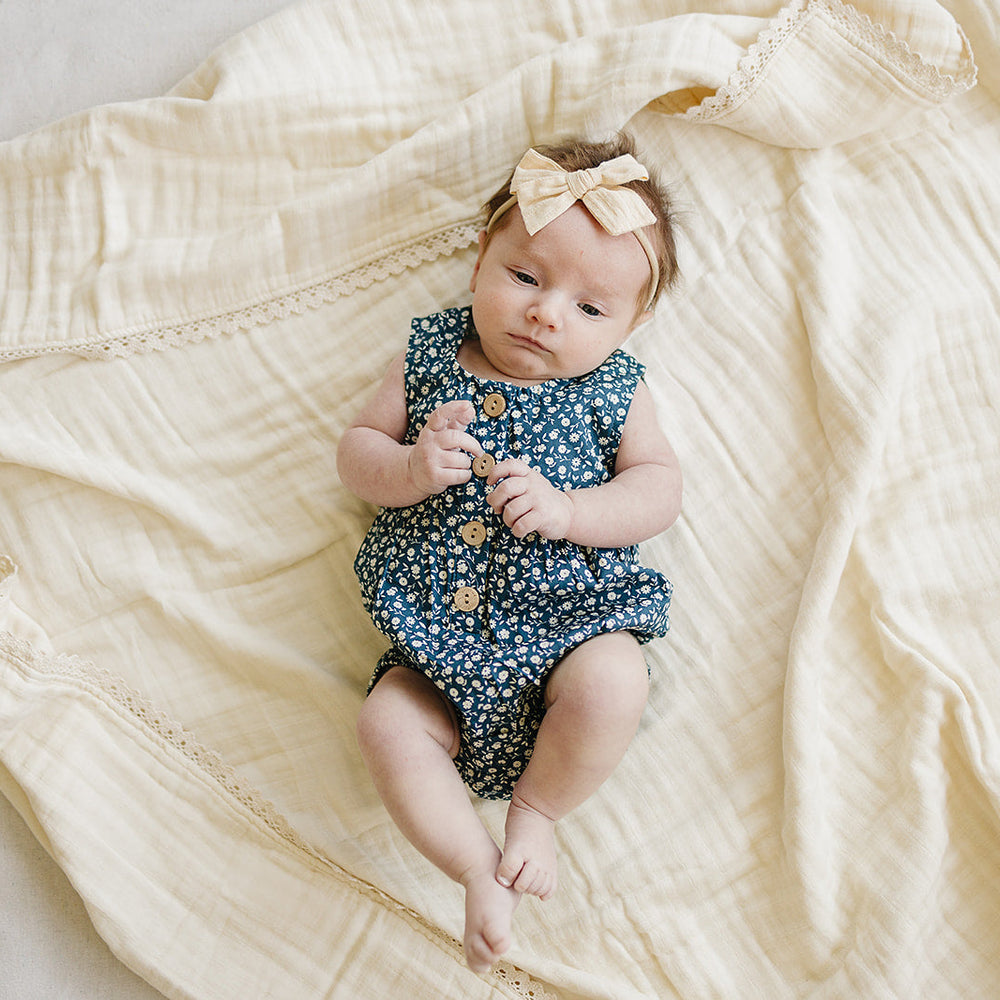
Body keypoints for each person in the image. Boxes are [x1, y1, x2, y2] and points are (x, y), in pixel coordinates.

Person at [337, 133, 682, 974]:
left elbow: (658, 489)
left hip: (570, 626)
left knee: (616, 681)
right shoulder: (429, 355)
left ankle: (537, 811)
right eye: (526, 276)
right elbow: (355, 453)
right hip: (437, 641)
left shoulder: (614, 388)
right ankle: (470, 869)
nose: (546, 312)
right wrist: (412, 467)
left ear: (631, 326)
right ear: (479, 262)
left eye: (590, 309)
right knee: (387, 723)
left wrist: (569, 511)